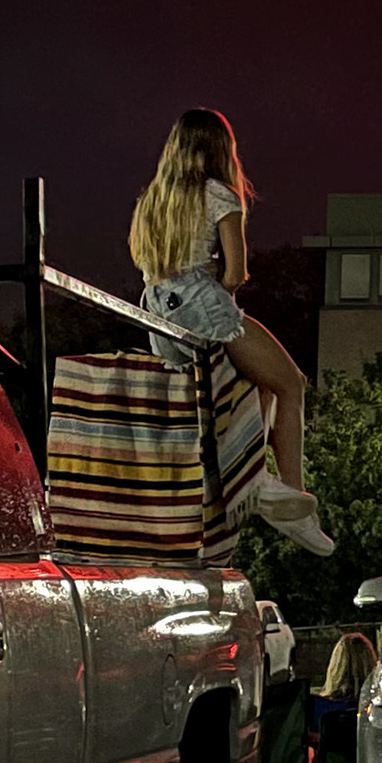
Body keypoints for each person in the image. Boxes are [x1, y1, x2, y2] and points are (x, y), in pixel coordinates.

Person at [127, 108, 332, 555]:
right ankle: (294, 501)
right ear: (222, 149)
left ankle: (255, 478)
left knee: (258, 383)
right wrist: (219, 289)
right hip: (203, 304)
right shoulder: (218, 193)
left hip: (160, 319)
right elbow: (237, 273)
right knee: (291, 383)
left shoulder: (151, 202)